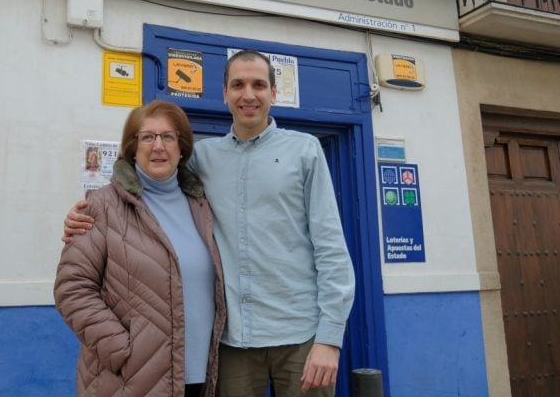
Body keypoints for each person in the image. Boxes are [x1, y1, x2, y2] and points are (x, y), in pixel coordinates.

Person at [65, 50, 355, 396]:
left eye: (259, 85)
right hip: (232, 343)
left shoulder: (305, 152)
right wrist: (84, 215)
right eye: (238, 85)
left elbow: (331, 248)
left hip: (300, 337)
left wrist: (330, 338)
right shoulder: (203, 159)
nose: (248, 94)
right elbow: (147, 183)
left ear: (274, 94)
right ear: (225, 94)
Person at [55, 100, 226, 397]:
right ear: (133, 147)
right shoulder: (102, 206)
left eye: (168, 137)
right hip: (132, 380)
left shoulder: (202, 206)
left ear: (182, 147)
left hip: (200, 378)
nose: (158, 146)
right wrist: (121, 349)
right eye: (147, 137)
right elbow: (72, 288)